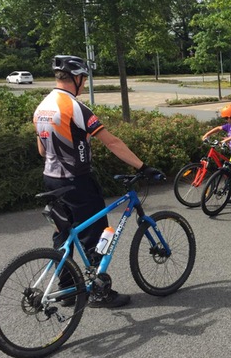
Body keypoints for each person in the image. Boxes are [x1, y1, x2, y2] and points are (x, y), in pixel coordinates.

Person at [33, 55, 162, 308]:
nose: (84, 83)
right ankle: (99, 292)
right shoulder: (75, 108)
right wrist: (142, 166)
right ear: (76, 78)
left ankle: (67, 289)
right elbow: (112, 142)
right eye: (83, 78)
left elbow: (41, 150)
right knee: (96, 234)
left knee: (63, 234)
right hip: (77, 181)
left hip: (51, 179)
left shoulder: (42, 107)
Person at [202, 103, 231, 202]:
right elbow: (218, 128)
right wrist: (207, 134)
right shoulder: (229, 126)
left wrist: (226, 140)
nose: (226, 120)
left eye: (227, 118)